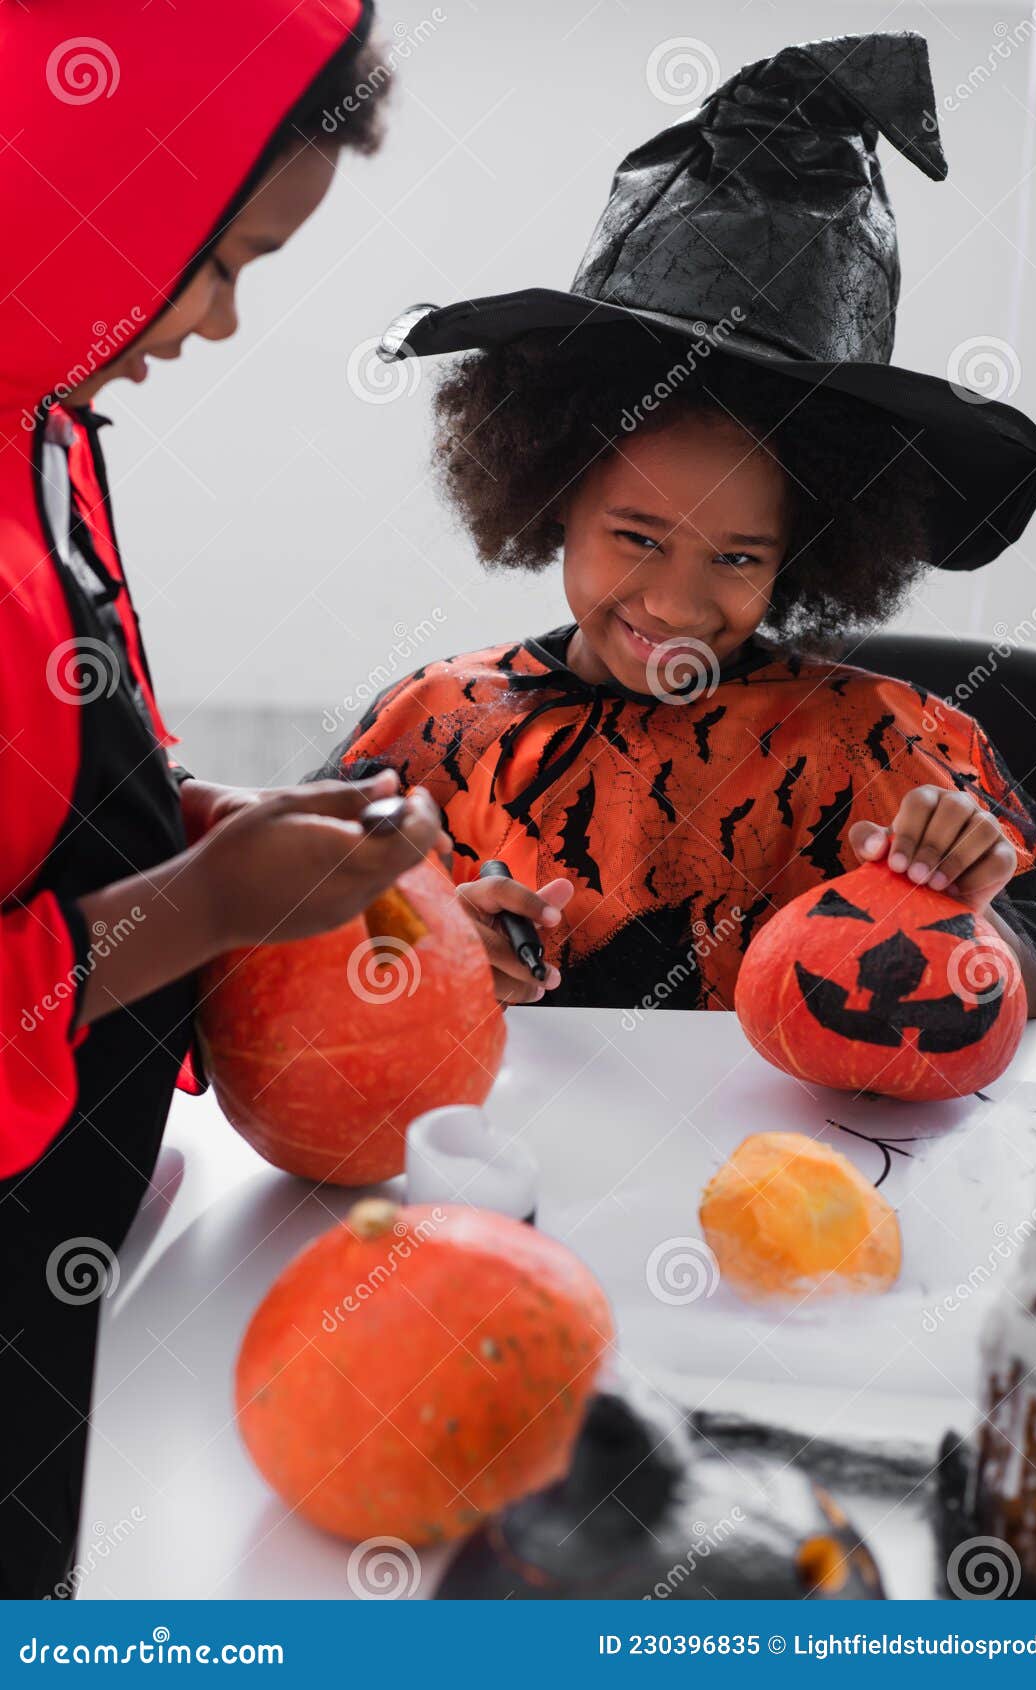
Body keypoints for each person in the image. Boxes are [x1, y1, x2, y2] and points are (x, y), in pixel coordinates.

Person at [313, 30, 1036, 1016]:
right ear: (550, 489)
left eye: (739, 555)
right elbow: (264, 952)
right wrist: (408, 949)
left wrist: (980, 924)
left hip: (816, 1170)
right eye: (637, 535)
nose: (677, 600)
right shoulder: (428, 727)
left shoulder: (899, 747)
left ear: (811, 545)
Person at [0, 0, 444, 1599]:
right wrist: (205, 907)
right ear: (79, 183)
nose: (227, 319)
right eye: (226, 256)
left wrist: (183, 814)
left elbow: (59, 758)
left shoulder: (44, 417)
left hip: (74, 1246)